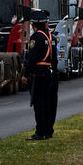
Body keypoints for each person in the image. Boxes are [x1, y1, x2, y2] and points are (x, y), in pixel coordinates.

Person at [21, 10, 58, 141]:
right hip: (51, 73)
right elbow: (55, 59)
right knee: (50, 104)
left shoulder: (36, 37)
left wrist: (25, 74)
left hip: (40, 74)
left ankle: (40, 132)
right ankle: (48, 131)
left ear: (33, 24)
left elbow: (32, 58)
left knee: (39, 103)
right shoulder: (51, 36)